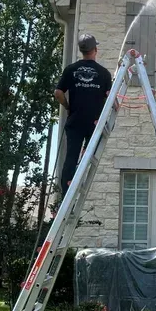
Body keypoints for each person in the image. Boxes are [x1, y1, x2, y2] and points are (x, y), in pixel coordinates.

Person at [55, 33, 112, 194]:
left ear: (81, 50)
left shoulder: (71, 70)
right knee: (89, 154)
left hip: (75, 120)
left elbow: (58, 93)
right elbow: (110, 98)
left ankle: (67, 190)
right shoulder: (104, 73)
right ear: (95, 49)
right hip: (94, 123)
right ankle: (79, 179)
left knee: (71, 156)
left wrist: (67, 106)